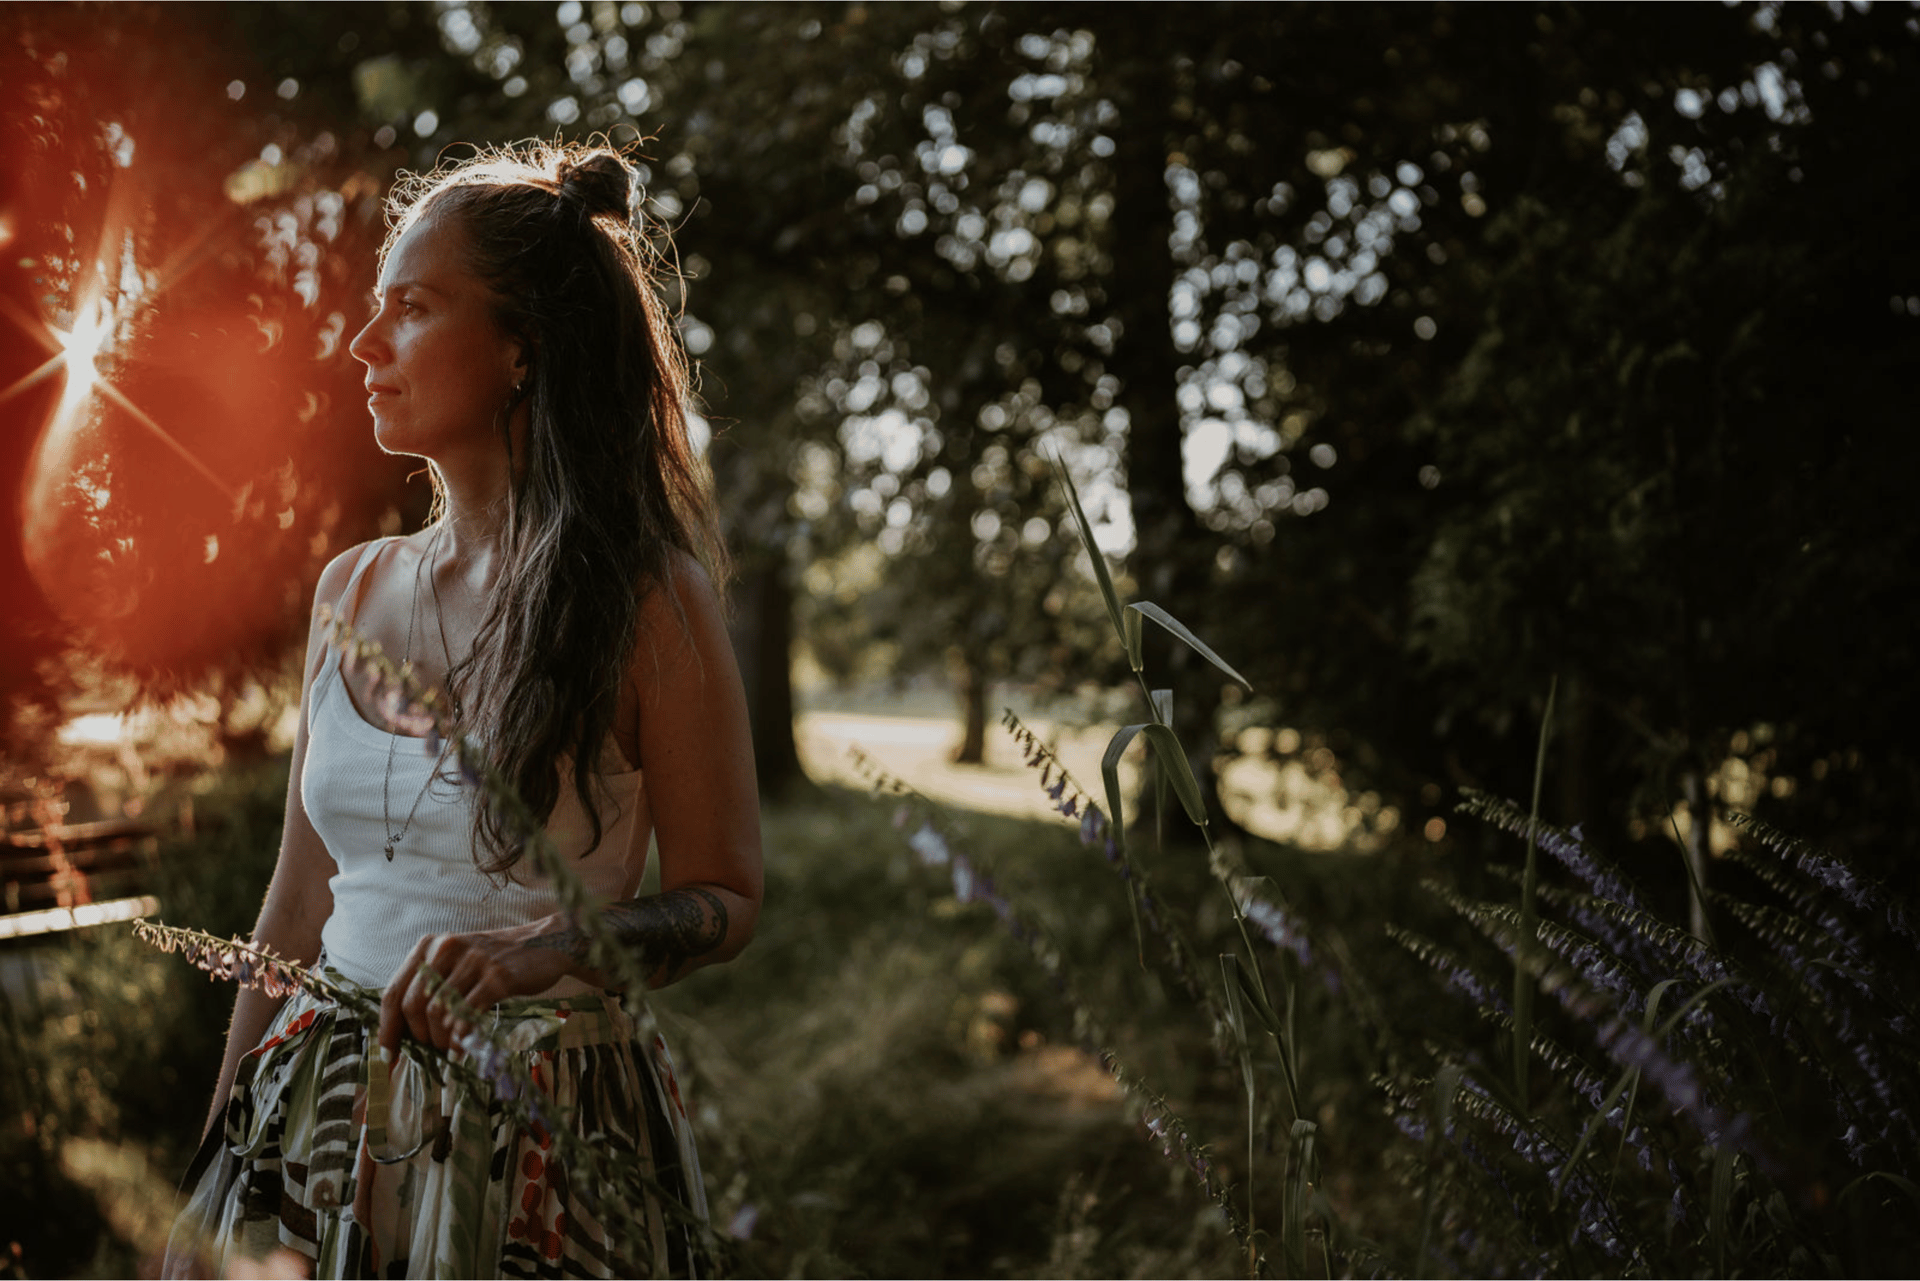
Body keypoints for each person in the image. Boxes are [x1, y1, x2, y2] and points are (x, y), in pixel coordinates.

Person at [164, 142, 762, 1279]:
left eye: (414, 308)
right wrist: (216, 1158)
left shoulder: (646, 601)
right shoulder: (350, 589)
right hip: (316, 1116)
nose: (363, 343)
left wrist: (554, 944)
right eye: (373, 309)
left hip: (549, 1130)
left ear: (521, 346)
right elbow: (296, 901)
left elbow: (727, 895)